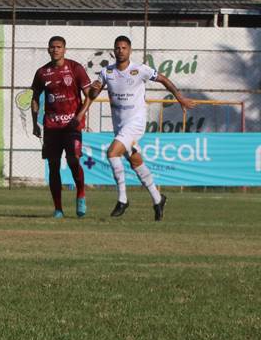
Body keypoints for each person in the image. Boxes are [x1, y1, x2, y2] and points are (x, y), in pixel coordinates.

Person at [82, 35, 194, 220]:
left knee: (112, 153)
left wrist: (179, 98)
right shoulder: (106, 72)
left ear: (130, 50)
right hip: (119, 124)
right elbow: (93, 94)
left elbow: (163, 79)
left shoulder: (140, 69)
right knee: (136, 162)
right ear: (114, 50)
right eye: (117, 48)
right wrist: (90, 95)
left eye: (124, 48)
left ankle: (123, 199)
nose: (120, 51)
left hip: (135, 123)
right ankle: (158, 199)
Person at [30, 35, 92, 218]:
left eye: (59, 47)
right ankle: (58, 209)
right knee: (53, 166)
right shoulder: (42, 72)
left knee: (73, 161)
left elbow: (89, 95)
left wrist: (79, 116)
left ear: (64, 49)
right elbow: (34, 98)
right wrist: (35, 123)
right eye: (52, 47)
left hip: (72, 125)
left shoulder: (75, 68)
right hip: (51, 127)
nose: (55, 49)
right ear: (48, 50)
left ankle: (80, 193)